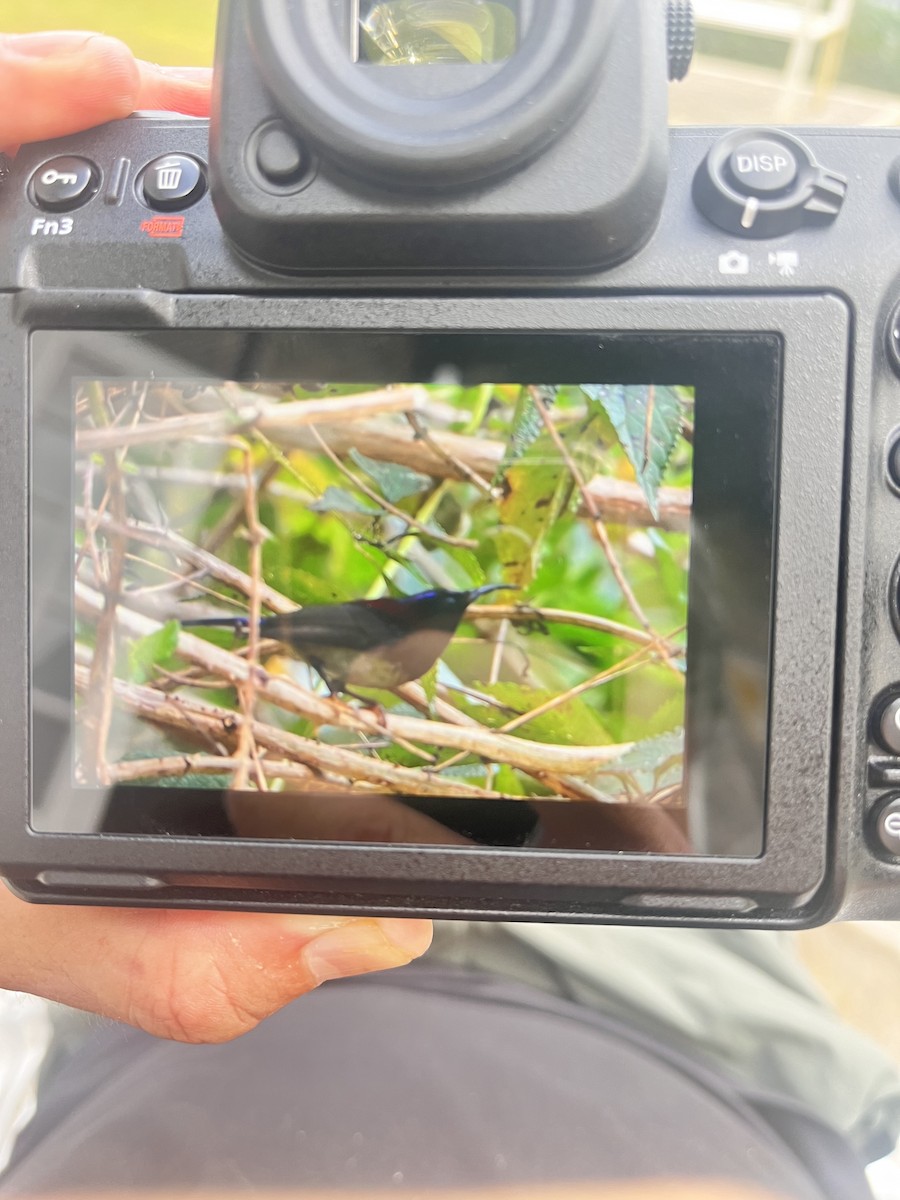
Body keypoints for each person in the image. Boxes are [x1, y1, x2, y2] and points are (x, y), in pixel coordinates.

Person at [0, 29, 898, 1200]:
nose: (478, 620)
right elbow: (335, 648)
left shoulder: (444, 638)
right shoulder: (410, 626)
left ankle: (398, 343)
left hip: (177, 1050)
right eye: (472, 607)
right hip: (672, 1030)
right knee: (712, 911)